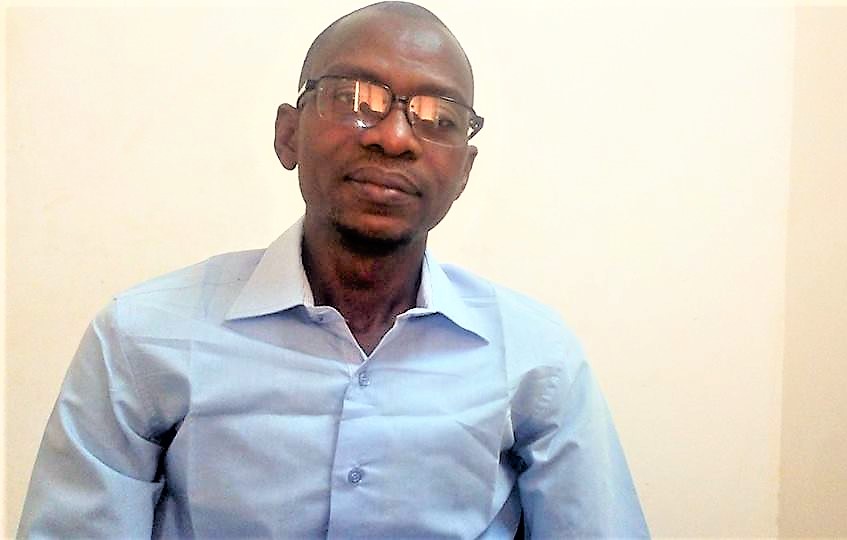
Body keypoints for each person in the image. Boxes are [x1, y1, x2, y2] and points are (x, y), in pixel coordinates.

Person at [18, 2, 649, 538]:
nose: (395, 138)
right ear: (288, 134)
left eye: (440, 118)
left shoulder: (535, 357)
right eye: (355, 99)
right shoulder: (143, 336)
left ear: (464, 170)